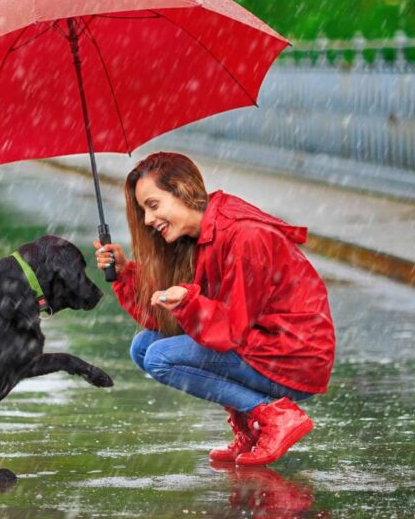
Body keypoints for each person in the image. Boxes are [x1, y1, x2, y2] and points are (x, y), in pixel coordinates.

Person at [93, 152, 335, 466]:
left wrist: (189, 301)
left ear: (182, 189)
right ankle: (250, 425)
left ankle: (274, 416)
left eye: (153, 205)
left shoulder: (244, 236)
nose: (148, 220)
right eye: (144, 210)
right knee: (143, 347)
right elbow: (169, 322)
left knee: (159, 357)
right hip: (258, 344)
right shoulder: (198, 238)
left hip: (291, 356)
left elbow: (230, 328)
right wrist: (126, 273)